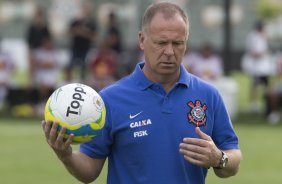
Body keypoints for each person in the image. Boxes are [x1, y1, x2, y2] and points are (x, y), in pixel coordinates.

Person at [42, 2, 241, 184]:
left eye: (178, 43)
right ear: (142, 40)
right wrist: (66, 155)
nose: (170, 52)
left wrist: (219, 158)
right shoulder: (109, 99)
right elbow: (90, 170)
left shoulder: (208, 95)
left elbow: (233, 157)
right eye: (161, 43)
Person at [241, 21, 274, 112]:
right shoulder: (253, 36)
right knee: (255, 85)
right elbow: (254, 52)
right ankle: (253, 104)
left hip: (264, 67)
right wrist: (264, 53)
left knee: (266, 86)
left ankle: (266, 104)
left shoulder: (261, 37)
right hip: (257, 67)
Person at [65, 4, 97, 82]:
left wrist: (82, 32)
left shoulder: (91, 23)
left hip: (86, 48)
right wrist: (81, 32)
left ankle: (83, 81)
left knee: (84, 66)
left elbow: (93, 36)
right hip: (75, 47)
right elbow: (68, 32)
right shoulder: (75, 22)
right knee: (71, 65)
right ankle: (69, 80)